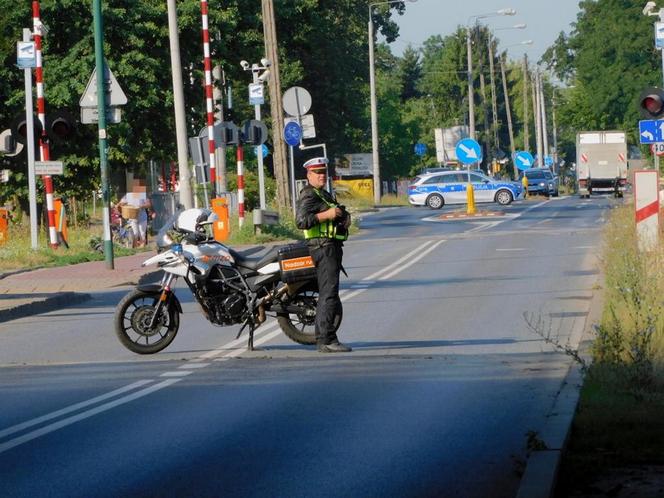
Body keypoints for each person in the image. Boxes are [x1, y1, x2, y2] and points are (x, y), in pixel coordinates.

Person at [296, 157, 352, 353]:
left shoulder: (322, 194)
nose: (321, 176)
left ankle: (325, 338)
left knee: (329, 293)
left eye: (323, 172)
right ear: (308, 175)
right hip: (322, 248)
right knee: (328, 294)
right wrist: (327, 215)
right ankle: (326, 339)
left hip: (331, 247)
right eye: (317, 173)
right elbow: (301, 221)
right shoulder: (309, 195)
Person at [116, 179, 152, 247]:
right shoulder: (128, 195)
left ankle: (142, 249)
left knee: (142, 234)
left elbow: (149, 204)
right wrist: (118, 205)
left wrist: (142, 206)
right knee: (135, 234)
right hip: (132, 217)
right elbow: (121, 203)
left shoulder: (142, 194)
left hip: (142, 217)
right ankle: (135, 249)